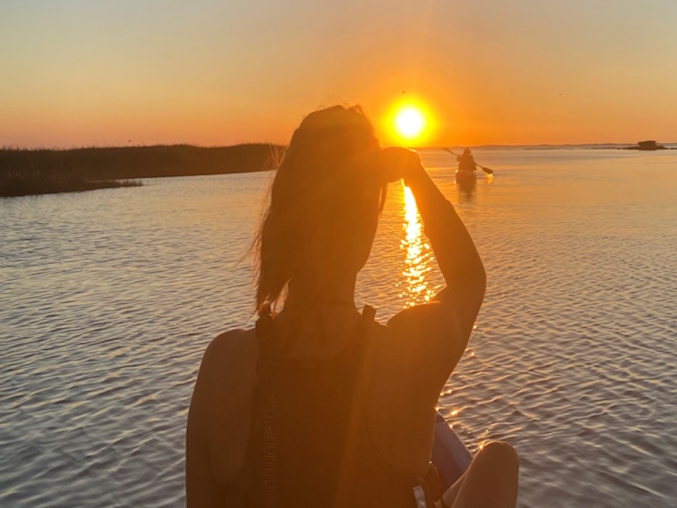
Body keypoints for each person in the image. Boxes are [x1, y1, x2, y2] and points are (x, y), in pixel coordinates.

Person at [186, 106, 518, 508]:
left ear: (282, 213)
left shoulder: (224, 364)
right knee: (498, 460)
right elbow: (469, 279)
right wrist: (413, 175)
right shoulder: (402, 356)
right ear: (366, 222)